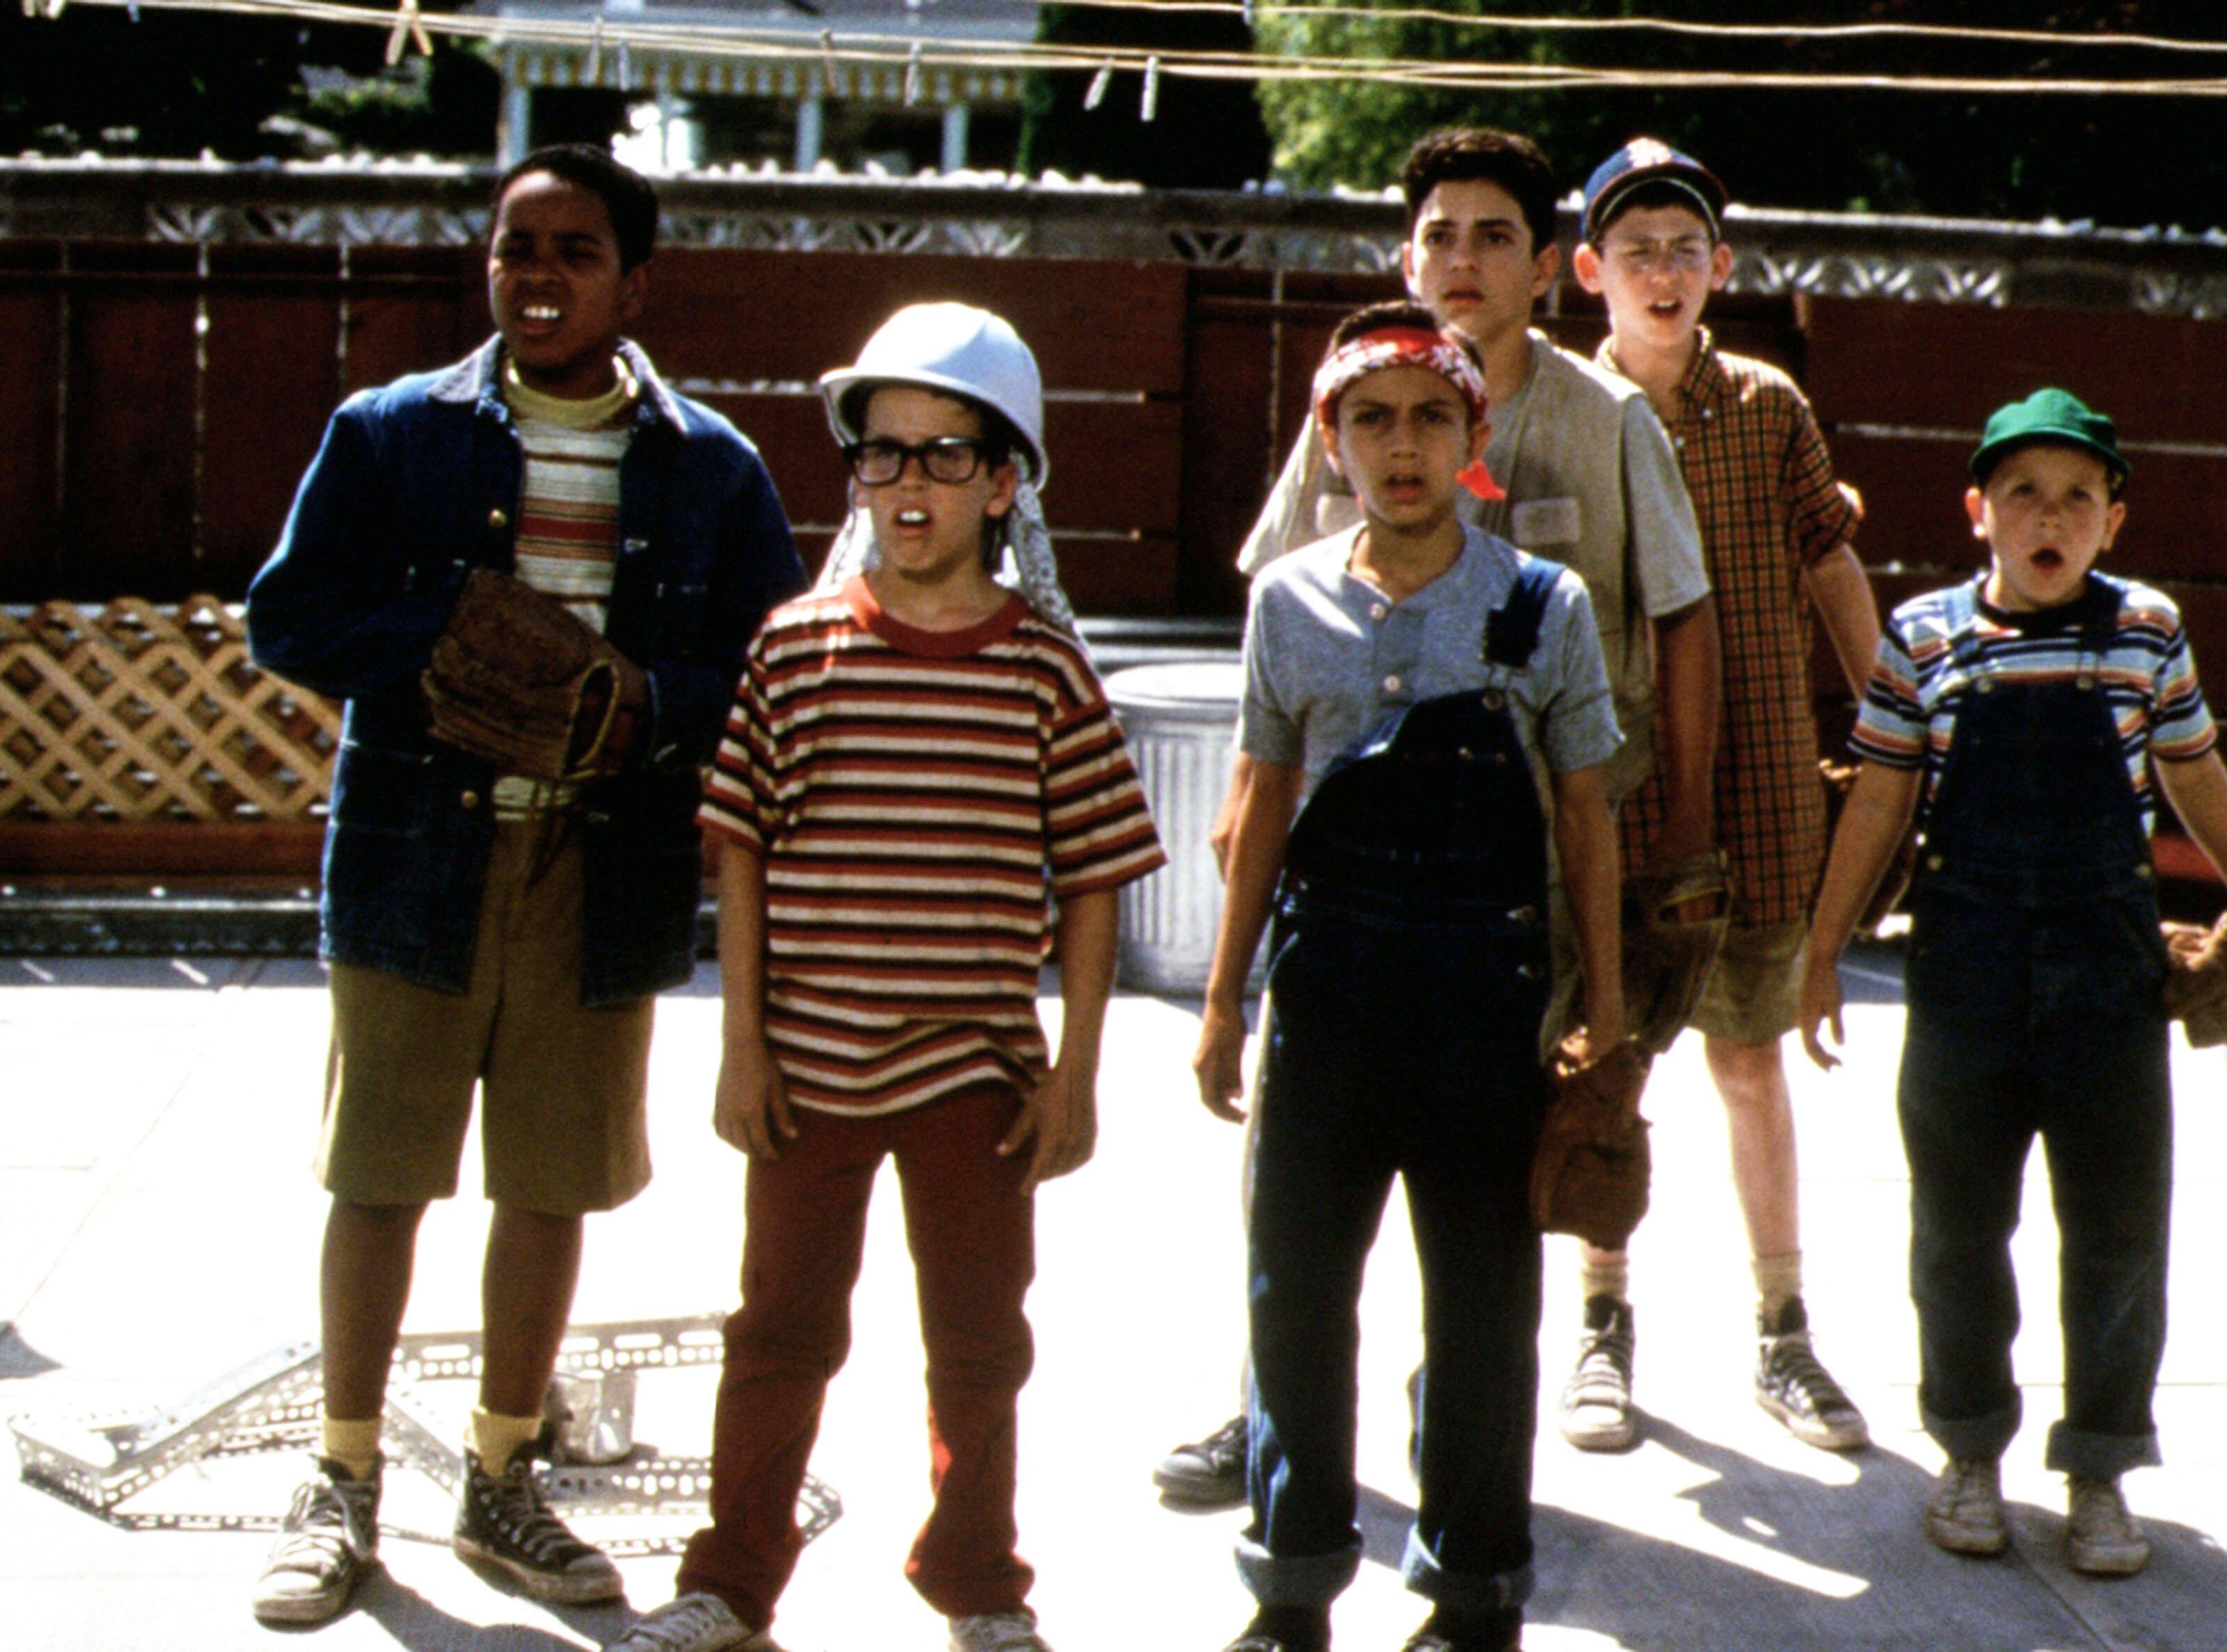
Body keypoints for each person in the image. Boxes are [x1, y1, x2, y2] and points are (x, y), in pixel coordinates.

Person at [243, 144, 802, 1627]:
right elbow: (286, 615)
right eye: (512, 249)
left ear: (636, 280)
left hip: (598, 860)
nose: (535, 276)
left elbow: (763, 666)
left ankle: (503, 1474)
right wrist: (452, 649)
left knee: (548, 1182)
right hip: (419, 847)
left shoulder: (711, 465)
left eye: (570, 252)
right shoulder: (391, 434)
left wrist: (634, 701)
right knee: (379, 1172)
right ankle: (342, 1478)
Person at [1155, 124, 1715, 1504]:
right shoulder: (1361, 398)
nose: (1461, 260)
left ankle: (1461, 1453)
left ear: (1545, 265)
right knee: (1302, 1167)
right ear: (1406, 257)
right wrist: (1252, 815)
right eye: (1438, 235)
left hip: (1529, 870)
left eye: (1493, 235)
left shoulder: (1607, 419)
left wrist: (1684, 834)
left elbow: (1682, 619)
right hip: (1352, 873)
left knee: (1489, 1187)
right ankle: (1266, 1409)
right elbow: (1278, 608)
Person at [607, 302, 1165, 1652]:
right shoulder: (797, 647)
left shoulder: (1043, 671)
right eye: (884, 454)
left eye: (943, 455)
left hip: (975, 1076)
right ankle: (731, 1580)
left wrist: (1076, 1069)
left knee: (979, 1348)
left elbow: (1093, 874)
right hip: (807, 1068)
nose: (909, 484)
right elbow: (736, 848)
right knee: (780, 1334)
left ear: (1004, 480)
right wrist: (739, 1047)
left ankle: (979, 1580)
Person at [1798, 388, 2227, 1576]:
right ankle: (1969, 1451)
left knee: (2118, 1227)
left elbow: (2194, 767)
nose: (2049, 515)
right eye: (2023, 491)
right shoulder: (1920, 636)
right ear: (1980, 511)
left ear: (2113, 519)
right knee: (1959, 1223)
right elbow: (1878, 796)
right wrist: (1821, 950)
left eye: (2077, 494)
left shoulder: (2148, 630)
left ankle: (2102, 1470)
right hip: (1963, 961)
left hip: (2106, 962)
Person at [1197, 301, 1628, 1652]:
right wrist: (1223, 1004)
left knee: (1486, 1301)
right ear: (1332, 442)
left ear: (1473, 436)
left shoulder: (1537, 602)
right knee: (1295, 1290)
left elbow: (1585, 813)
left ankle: (1473, 1590)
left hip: (1481, 987)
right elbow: (1262, 800)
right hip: (1325, 982)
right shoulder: (1288, 600)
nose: (1401, 444)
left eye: (1429, 416)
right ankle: (1293, 1582)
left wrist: (1603, 1004)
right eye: (1371, 418)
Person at [1558, 138, 1884, 1453]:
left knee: (1751, 1060)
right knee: (1607, 1065)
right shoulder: (1556, 412)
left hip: (1761, 801)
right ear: (1588, 270)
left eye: (1684, 247)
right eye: (1634, 247)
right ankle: (1600, 1324)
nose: (1661, 269)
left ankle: (1782, 1329)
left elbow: (1831, 562)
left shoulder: (1767, 406)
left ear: (1722, 268)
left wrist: (1896, 718)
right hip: (1614, 806)